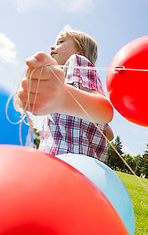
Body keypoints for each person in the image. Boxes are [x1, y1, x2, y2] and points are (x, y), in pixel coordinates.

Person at [17, 26, 114, 163]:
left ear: (79, 51)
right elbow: (108, 133)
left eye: (61, 42)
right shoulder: (60, 81)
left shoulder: (77, 62)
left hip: (73, 164)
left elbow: (105, 111)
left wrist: (62, 98)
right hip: (53, 159)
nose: (52, 47)